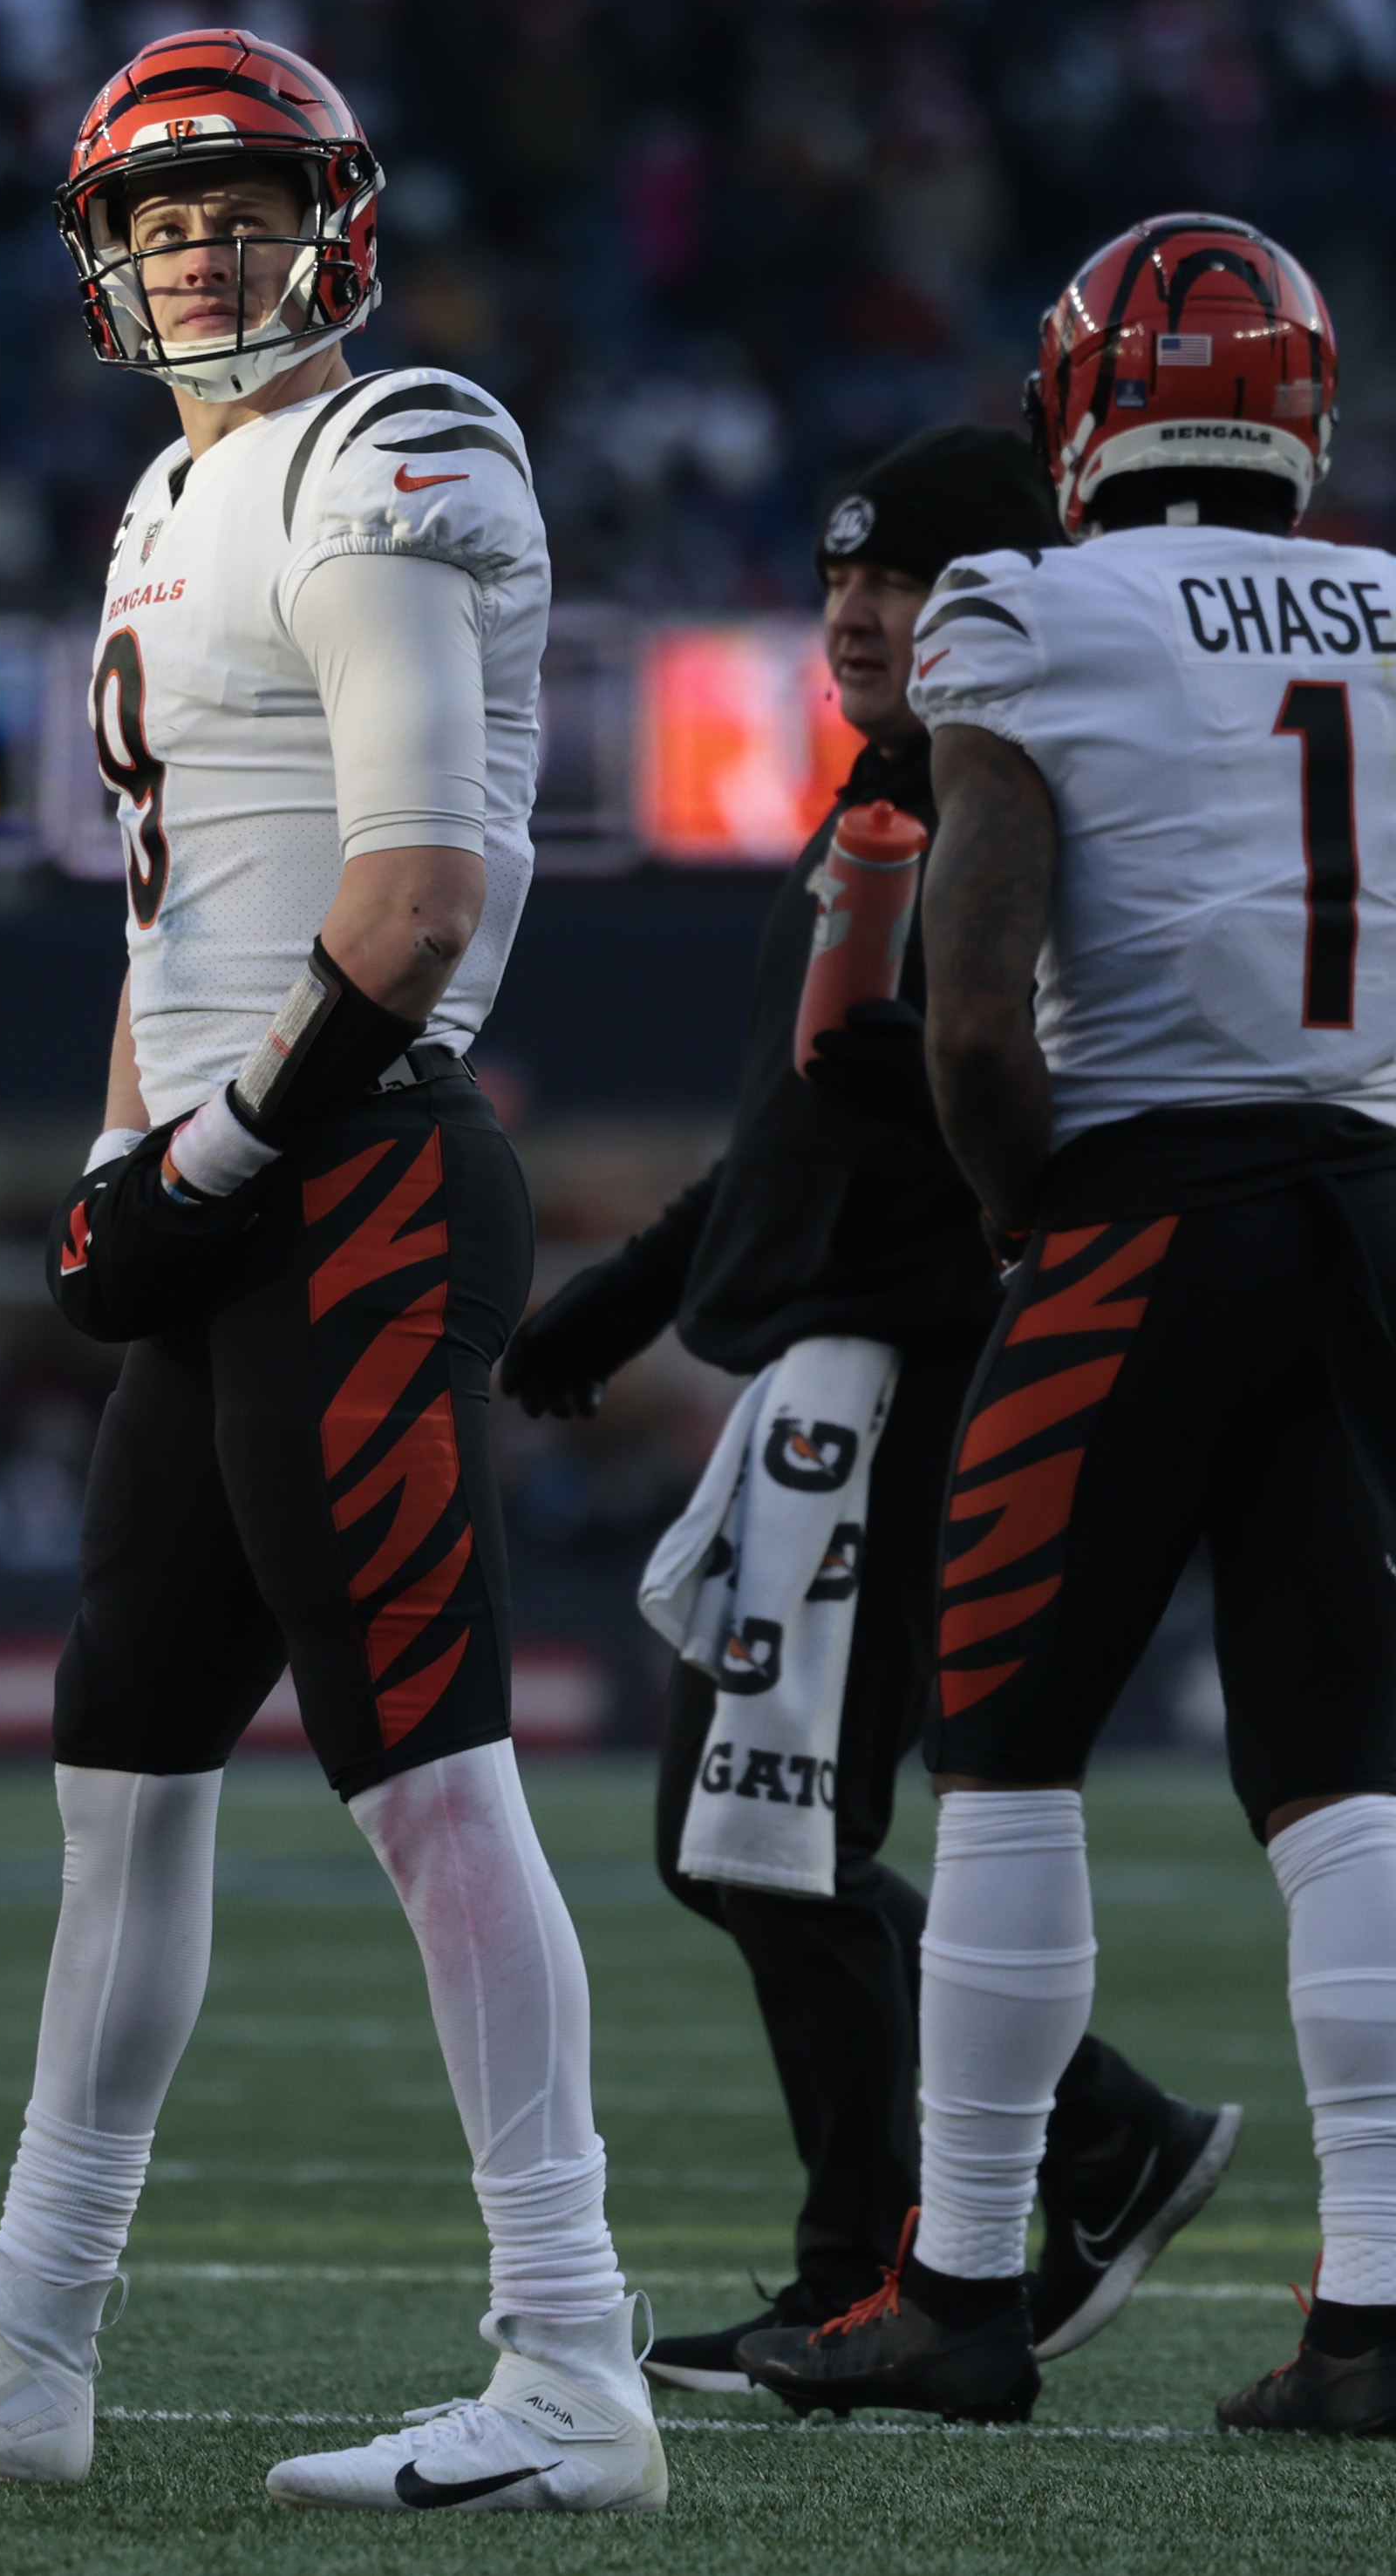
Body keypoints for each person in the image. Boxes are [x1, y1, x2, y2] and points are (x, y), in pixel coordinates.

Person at [0, 31, 665, 2515]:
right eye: (157, 217)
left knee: (426, 1778)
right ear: (100, 258)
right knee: (119, 1779)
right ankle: (25, 2338)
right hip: (239, 1180)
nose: (200, 247)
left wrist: (210, 1157)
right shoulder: (159, 500)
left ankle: (572, 2363)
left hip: (346, 1172)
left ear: (334, 217)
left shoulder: (388, 447)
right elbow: (179, 912)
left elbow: (410, 890)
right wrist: (116, 1158)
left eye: (241, 202)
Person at [735, 214, 1396, 2437]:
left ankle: (964, 2292)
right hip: (1348, 1217)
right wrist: (1368, 1157)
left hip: (1139, 1209)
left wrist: (1043, 1226)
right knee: (1337, 1788)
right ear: (1303, 406)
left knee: (1008, 1759)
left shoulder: (1025, 606)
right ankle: (1367, 2332)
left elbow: (976, 1019)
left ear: (1076, 409)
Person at [499, 425, 1241, 2414]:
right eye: (843, 579)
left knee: (775, 1844)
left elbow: (988, 1108)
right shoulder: (893, 796)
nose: (856, 611)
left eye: (906, 581)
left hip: (892, 1374)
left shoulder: (1016, 800)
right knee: (740, 1839)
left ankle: (962, 2221)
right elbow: (798, 1142)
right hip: (813, 1370)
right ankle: (1040, 2168)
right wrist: (629, 1299)